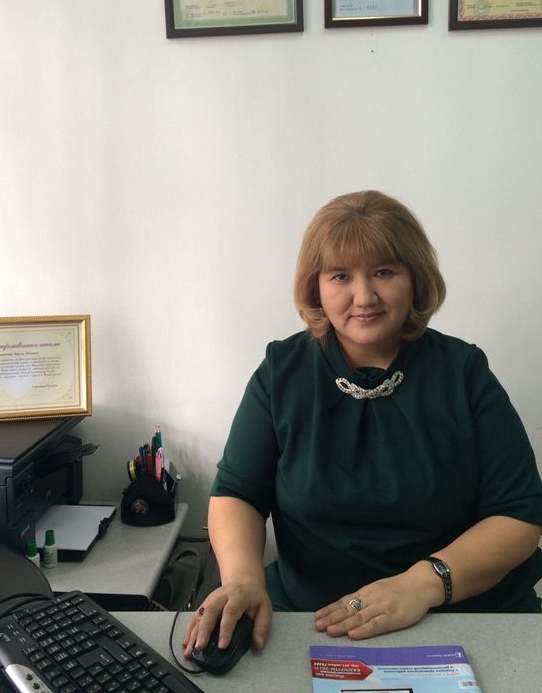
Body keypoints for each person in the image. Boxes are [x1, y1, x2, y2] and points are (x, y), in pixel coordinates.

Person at [183, 190, 542, 658]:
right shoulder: (280, 372)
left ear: (416, 279)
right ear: (315, 287)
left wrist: (421, 585)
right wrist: (243, 579)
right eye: (340, 276)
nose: (364, 297)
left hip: (464, 615)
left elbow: (519, 513)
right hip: (316, 621)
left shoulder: (464, 372)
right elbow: (238, 493)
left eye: (384, 272)